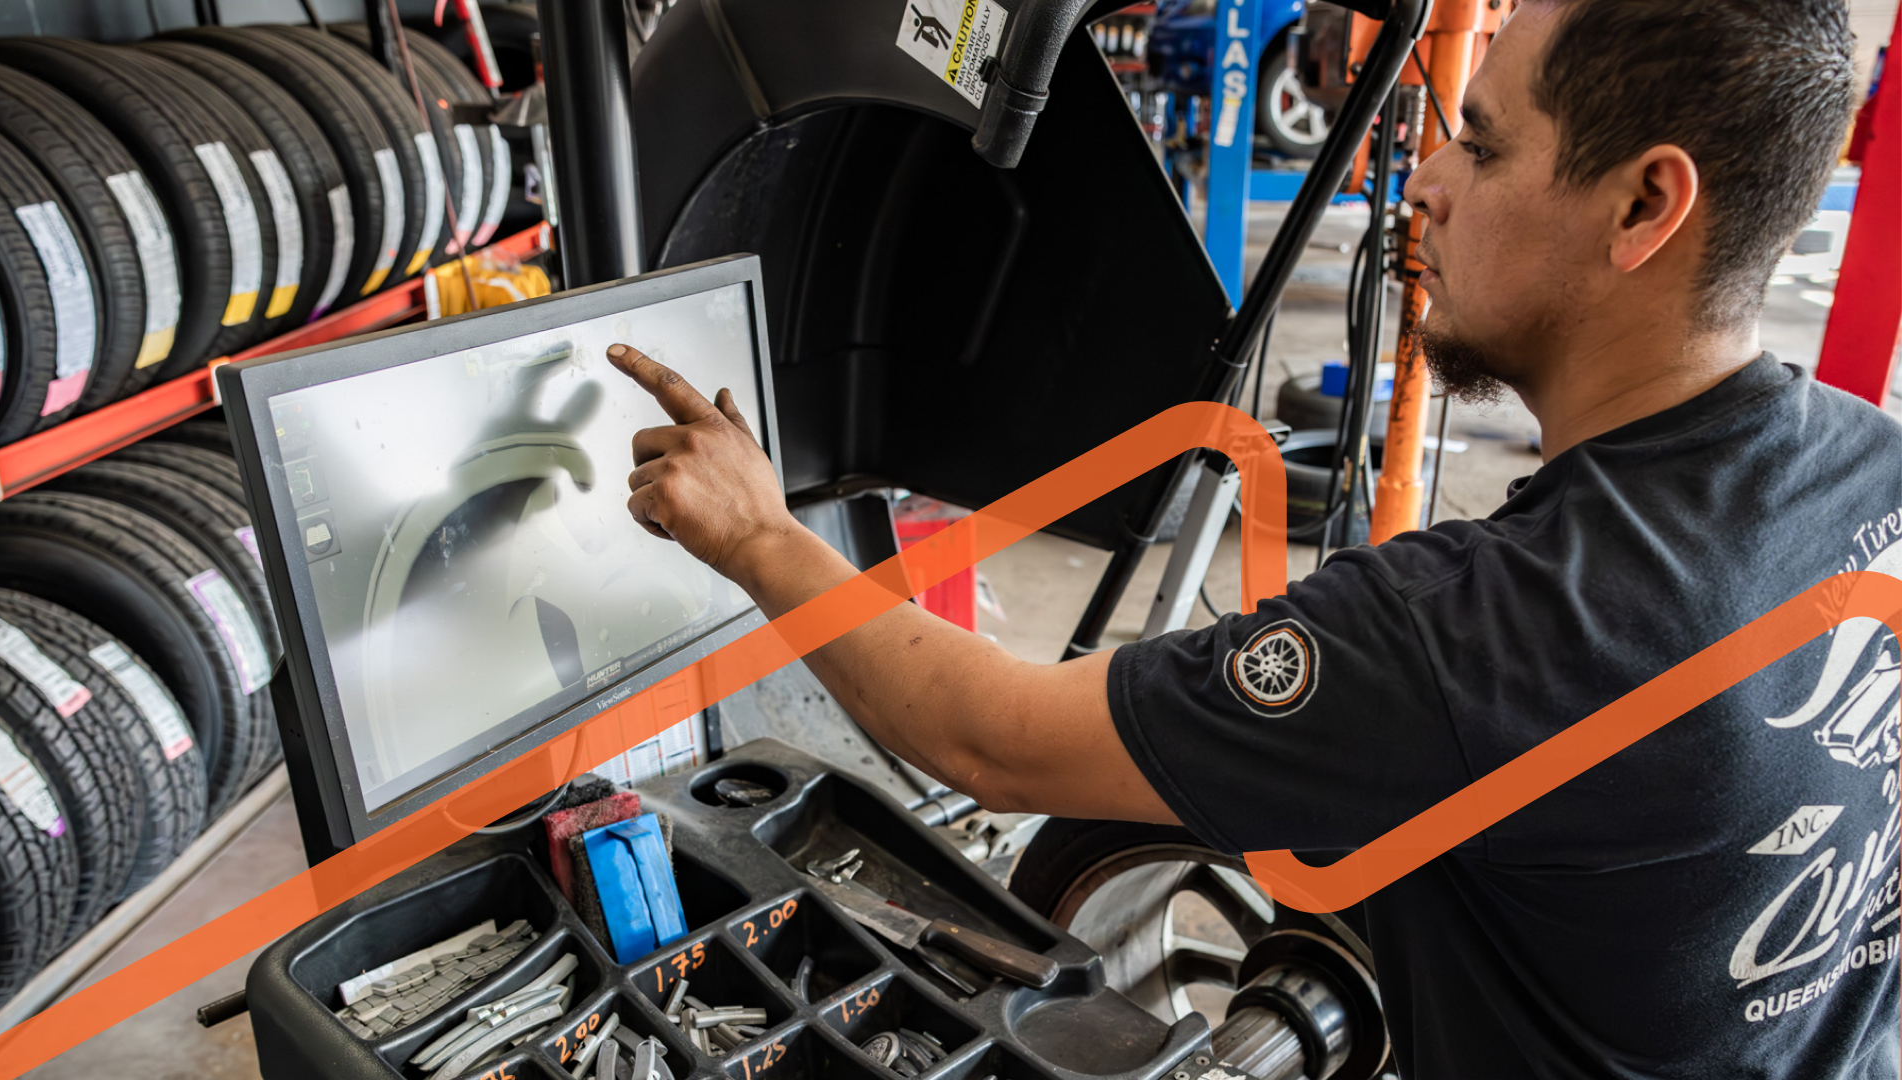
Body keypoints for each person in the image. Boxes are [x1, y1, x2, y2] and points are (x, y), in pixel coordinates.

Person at [607, 0, 1899, 1074]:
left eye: (1485, 148)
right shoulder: (1874, 472)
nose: (1428, 185)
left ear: (1643, 207)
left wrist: (760, 535)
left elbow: (985, 740)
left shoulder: (1499, 634)